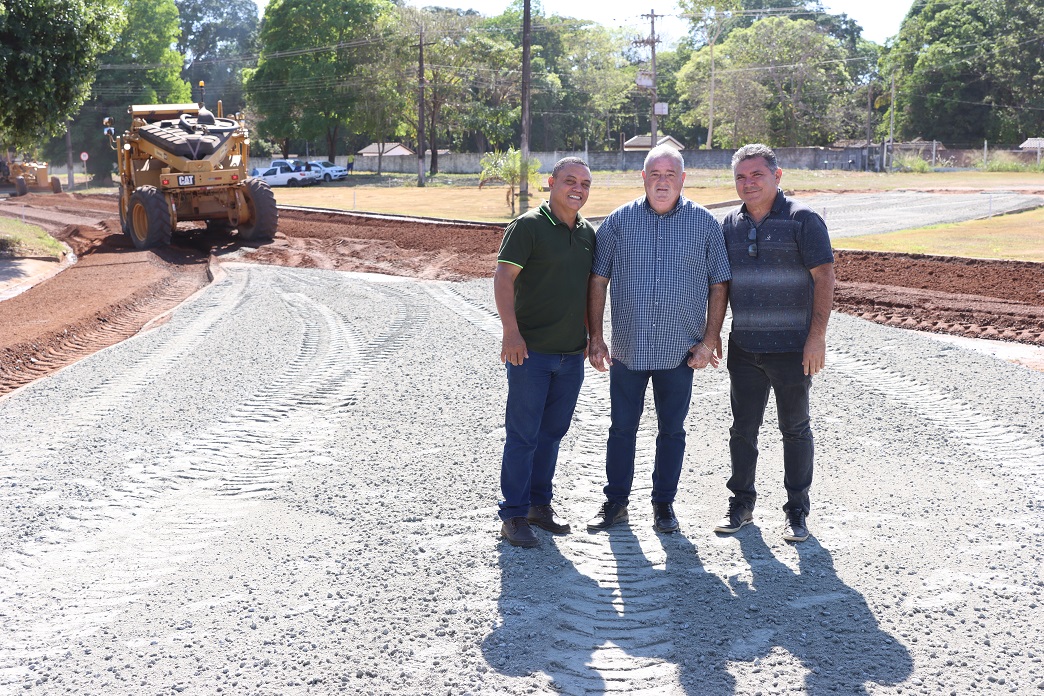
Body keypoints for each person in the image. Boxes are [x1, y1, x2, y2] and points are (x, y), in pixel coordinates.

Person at [586, 145, 731, 534]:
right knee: (621, 429)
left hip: (679, 353)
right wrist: (595, 337)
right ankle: (616, 502)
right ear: (643, 177)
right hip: (628, 352)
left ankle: (664, 504)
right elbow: (598, 280)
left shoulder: (704, 224)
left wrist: (709, 340)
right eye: (655, 174)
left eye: (670, 174)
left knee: (672, 431)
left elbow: (720, 283)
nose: (662, 181)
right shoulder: (618, 222)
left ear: (683, 179)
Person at [713, 143, 836, 543]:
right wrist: (712, 334)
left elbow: (824, 277)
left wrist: (816, 338)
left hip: (792, 349)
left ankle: (797, 512)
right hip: (744, 347)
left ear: (777, 176)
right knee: (742, 430)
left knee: (795, 430)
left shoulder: (804, 220)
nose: (748, 183)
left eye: (756, 175)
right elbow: (721, 285)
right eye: (741, 177)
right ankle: (742, 504)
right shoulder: (728, 225)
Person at [494, 157, 596, 548]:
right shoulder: (528, 226)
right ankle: (514, 515)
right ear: (551, 183)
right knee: (523, 436)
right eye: (570, 181)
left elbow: (588, 288)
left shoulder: (587, 232)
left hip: (570, 356)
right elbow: (504, 278)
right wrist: (511, 334)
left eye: (585, 184)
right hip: (530, 354)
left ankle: (539, 505)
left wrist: (590, 336)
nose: (578, 189)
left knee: (552, 434)